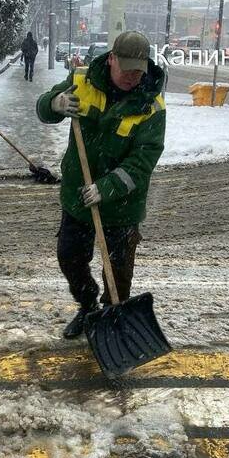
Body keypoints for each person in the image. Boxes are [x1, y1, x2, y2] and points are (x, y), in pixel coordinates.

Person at [35, 31, 166, 339]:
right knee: (70, 257)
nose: (133, 77)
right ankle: (88, 306)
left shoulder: (151, 107)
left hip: (123, 203)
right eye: (127, 69)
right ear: (111, 60)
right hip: (78, 196)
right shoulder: (82, 81)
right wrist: (55, 103)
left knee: (119, 273)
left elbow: (143, 161)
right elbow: (42, 108)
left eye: (139, 71)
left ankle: (112, 313)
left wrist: (106, 188)